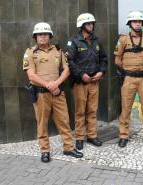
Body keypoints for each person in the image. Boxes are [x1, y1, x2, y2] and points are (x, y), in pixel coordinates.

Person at [23, 22, 83, 163]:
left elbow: (67, 70)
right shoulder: (30, 52)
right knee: (42, 123)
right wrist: (49, 85)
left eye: (45, 34)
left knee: (64, 121)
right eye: (40, 34)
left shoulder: (59, 51)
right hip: (41, 94)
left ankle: (68, 147)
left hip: (58, 93)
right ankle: (45, 150)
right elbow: (31, 76)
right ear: (35, 36)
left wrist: (56, 84)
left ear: (50, 36)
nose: (42, 36)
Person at [114, 11, 143, 148]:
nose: (137, 23)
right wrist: (129, 69)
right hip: (128, 79)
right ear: (130, 24)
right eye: (135, 21)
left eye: (139, 21)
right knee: (125, 108)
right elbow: (117, 60)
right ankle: (123, 135)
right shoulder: (123, 39)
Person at [66, 13, 107, 150]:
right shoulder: (74, 41)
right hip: (80, 82)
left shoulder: (97, 40)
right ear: (82, 26)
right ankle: (79, 137)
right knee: (80, 111)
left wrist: (101, 71)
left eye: (92, 24)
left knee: (92, 110)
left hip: (94, 81)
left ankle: (92, 136)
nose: (92, 26)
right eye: (89, 24)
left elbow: (104, 58)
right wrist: (81, 74)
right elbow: (69, 62)